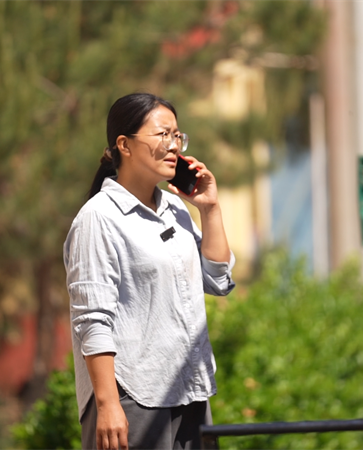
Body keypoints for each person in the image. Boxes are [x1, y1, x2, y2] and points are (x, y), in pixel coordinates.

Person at [63, 93, 235, 450]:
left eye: (177, 136)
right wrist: (108, 406)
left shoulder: (175, 207)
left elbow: (217, 281)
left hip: (190, 390)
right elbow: (92, 321)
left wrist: (210, 209)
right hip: (133, 398)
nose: (174, 146)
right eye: (162, 135)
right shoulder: (98, 219)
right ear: (124, 145)